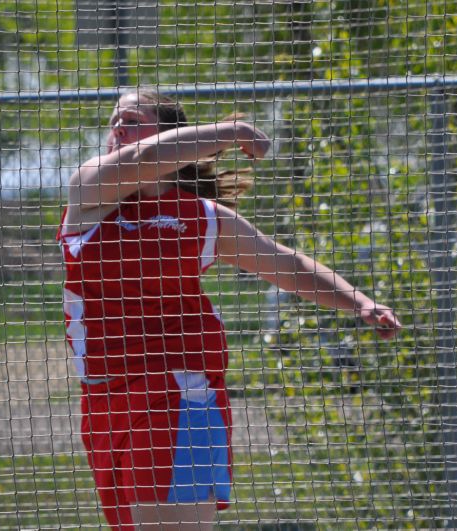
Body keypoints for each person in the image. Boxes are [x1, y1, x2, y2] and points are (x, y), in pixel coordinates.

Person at [57, 89, 401, 530]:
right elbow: (141, 159)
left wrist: (361, 302)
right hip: (102, 404)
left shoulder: (203, 218)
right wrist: (230, 131)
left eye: (132, 119)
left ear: (171, 135)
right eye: (114, 122)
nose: (118, 129)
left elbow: (288, 266)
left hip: (176, 395)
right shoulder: (89, 194)